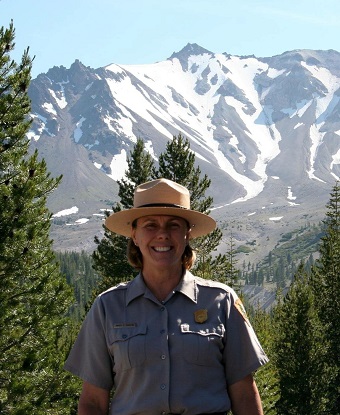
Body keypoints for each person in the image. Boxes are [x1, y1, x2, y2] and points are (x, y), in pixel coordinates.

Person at [64, 178, 268, 415]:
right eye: (150, 225)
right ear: (135, 235)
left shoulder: (222, 301)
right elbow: (92, 402)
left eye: (173, 225)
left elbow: (244, 393)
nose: (162, 235)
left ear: (187, 234)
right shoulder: (108, 307)